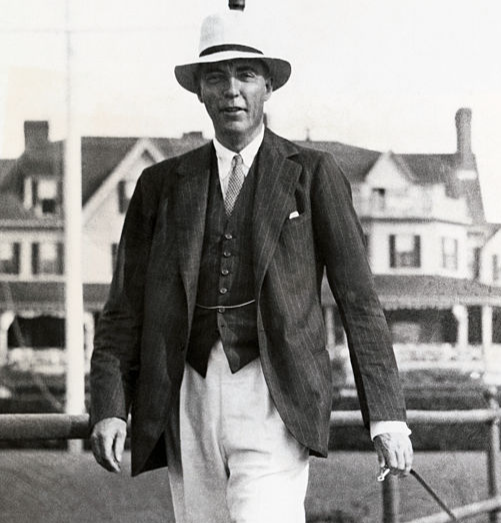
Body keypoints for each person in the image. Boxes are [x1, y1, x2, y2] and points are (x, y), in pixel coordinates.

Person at [88, 7, 413, 522]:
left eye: (245, 75)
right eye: (216, 77)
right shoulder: (162, 186)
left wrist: (388, 418)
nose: (231, 91)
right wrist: (109, 404)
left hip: (274, 396)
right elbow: (123, 311)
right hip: (186, 394)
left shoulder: (312, 174)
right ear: (199, 90)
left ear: (268, 86)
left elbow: (358, 301)